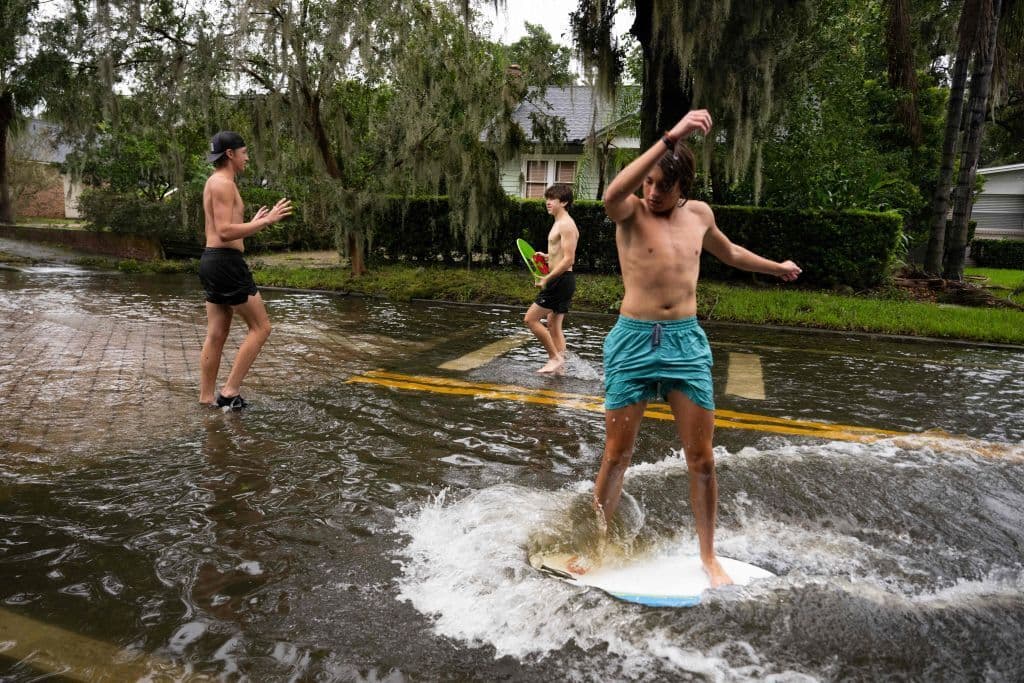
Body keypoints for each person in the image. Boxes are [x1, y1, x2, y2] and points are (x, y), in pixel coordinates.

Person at [592, 110, 801, 586]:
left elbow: (730, 253)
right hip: (632, 340)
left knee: (702, 459)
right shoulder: (629, 212)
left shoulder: (700, 215)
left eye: (663, 186)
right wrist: (671, 136)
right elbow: (610, 195)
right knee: (616, 456)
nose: (652, 193)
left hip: (685, 344)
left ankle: (709, 556)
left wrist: (776, 267)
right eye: (648, 183)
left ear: (682, 187)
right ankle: (597, 544)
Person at [198, 131, 292, 410]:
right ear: (230, 154)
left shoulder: (215, 182)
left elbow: (226, 227)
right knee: (261, 327)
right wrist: (267, 221)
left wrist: (252, 222)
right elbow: (225, 232)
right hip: (226, 262)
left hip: (212, 260)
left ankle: (206, 399)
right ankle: (230, 392)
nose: (247, 157)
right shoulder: (223, 183)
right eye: (244, 152)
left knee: (216, 334)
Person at [523, 183, 580, 374]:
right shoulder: (559, 222)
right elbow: (560, 254)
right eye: (547, 199)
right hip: (563, 279)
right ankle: (560, 366)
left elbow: (569, 259)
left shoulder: (566, 225)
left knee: (530, 319)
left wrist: (547, 278)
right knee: (553, 325)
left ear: (563, 202)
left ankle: (554, 358)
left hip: (560, 280)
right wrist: (547, 257)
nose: (548, 202)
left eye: (552, 199)